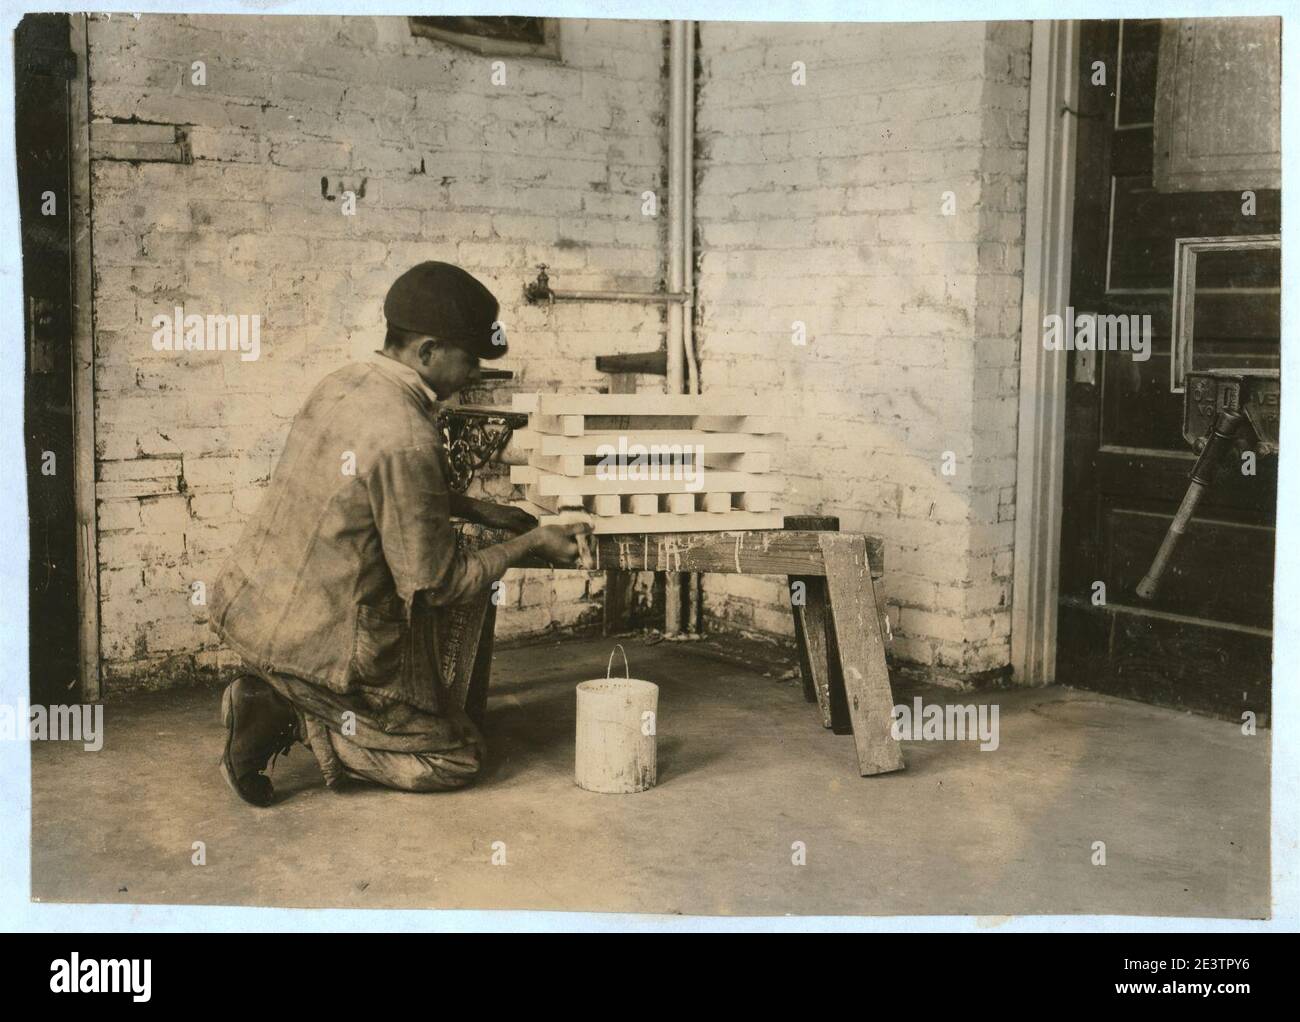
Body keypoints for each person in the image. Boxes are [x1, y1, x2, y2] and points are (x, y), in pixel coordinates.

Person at [209, 261, 589, 806]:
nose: (475, 371)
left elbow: (368, 483)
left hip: (260, 609)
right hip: (325, 641)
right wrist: (531, 543)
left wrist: (479, 510)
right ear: (429, 351)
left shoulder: (343, 384)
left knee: (443, 699)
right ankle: (293, 714)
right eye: (470, 358)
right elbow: (437, 583)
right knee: (457, 755)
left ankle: (275, 692)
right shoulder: (410, 432)